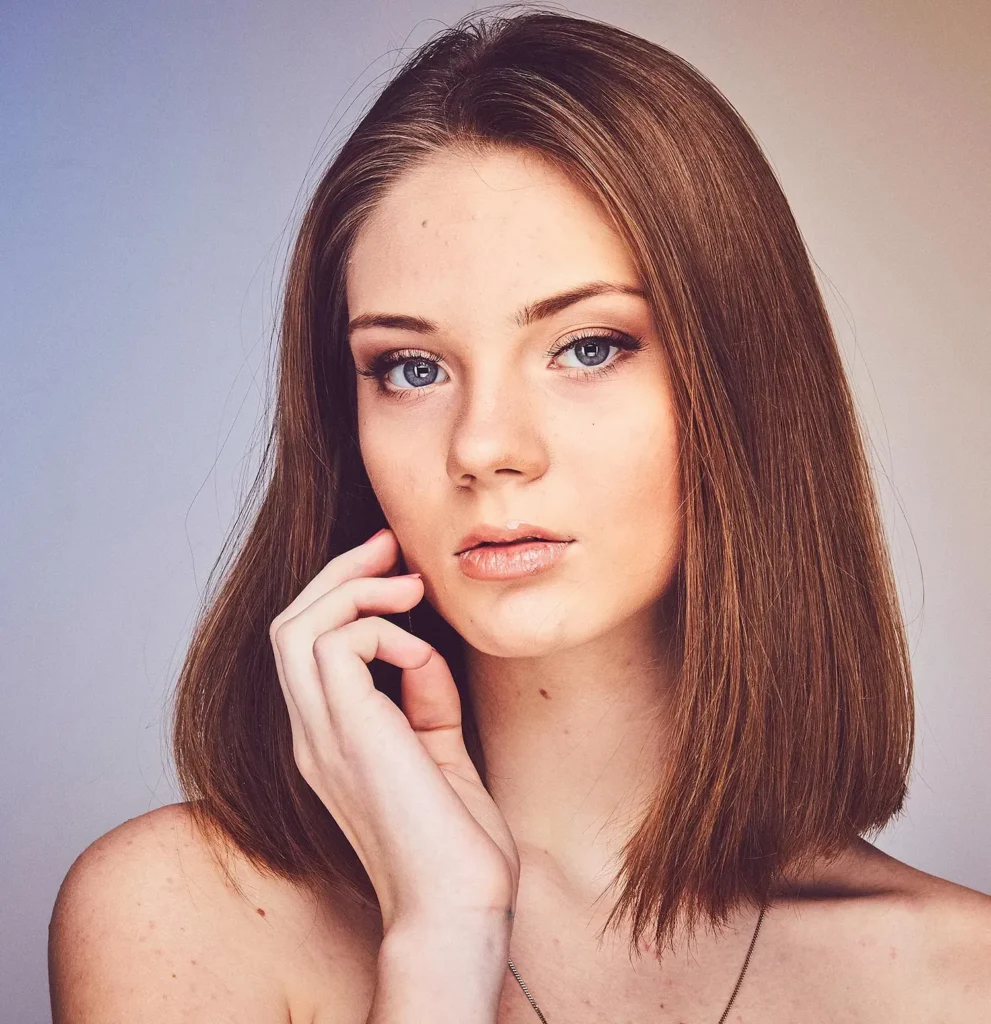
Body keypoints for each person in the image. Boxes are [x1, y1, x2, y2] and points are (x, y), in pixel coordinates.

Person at [48, 6, 990, 1022]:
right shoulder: (179, 915)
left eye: (587, 348)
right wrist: (440, 941)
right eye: (412, 368)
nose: (483, 445)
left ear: (742, 386)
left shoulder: (956, 978)